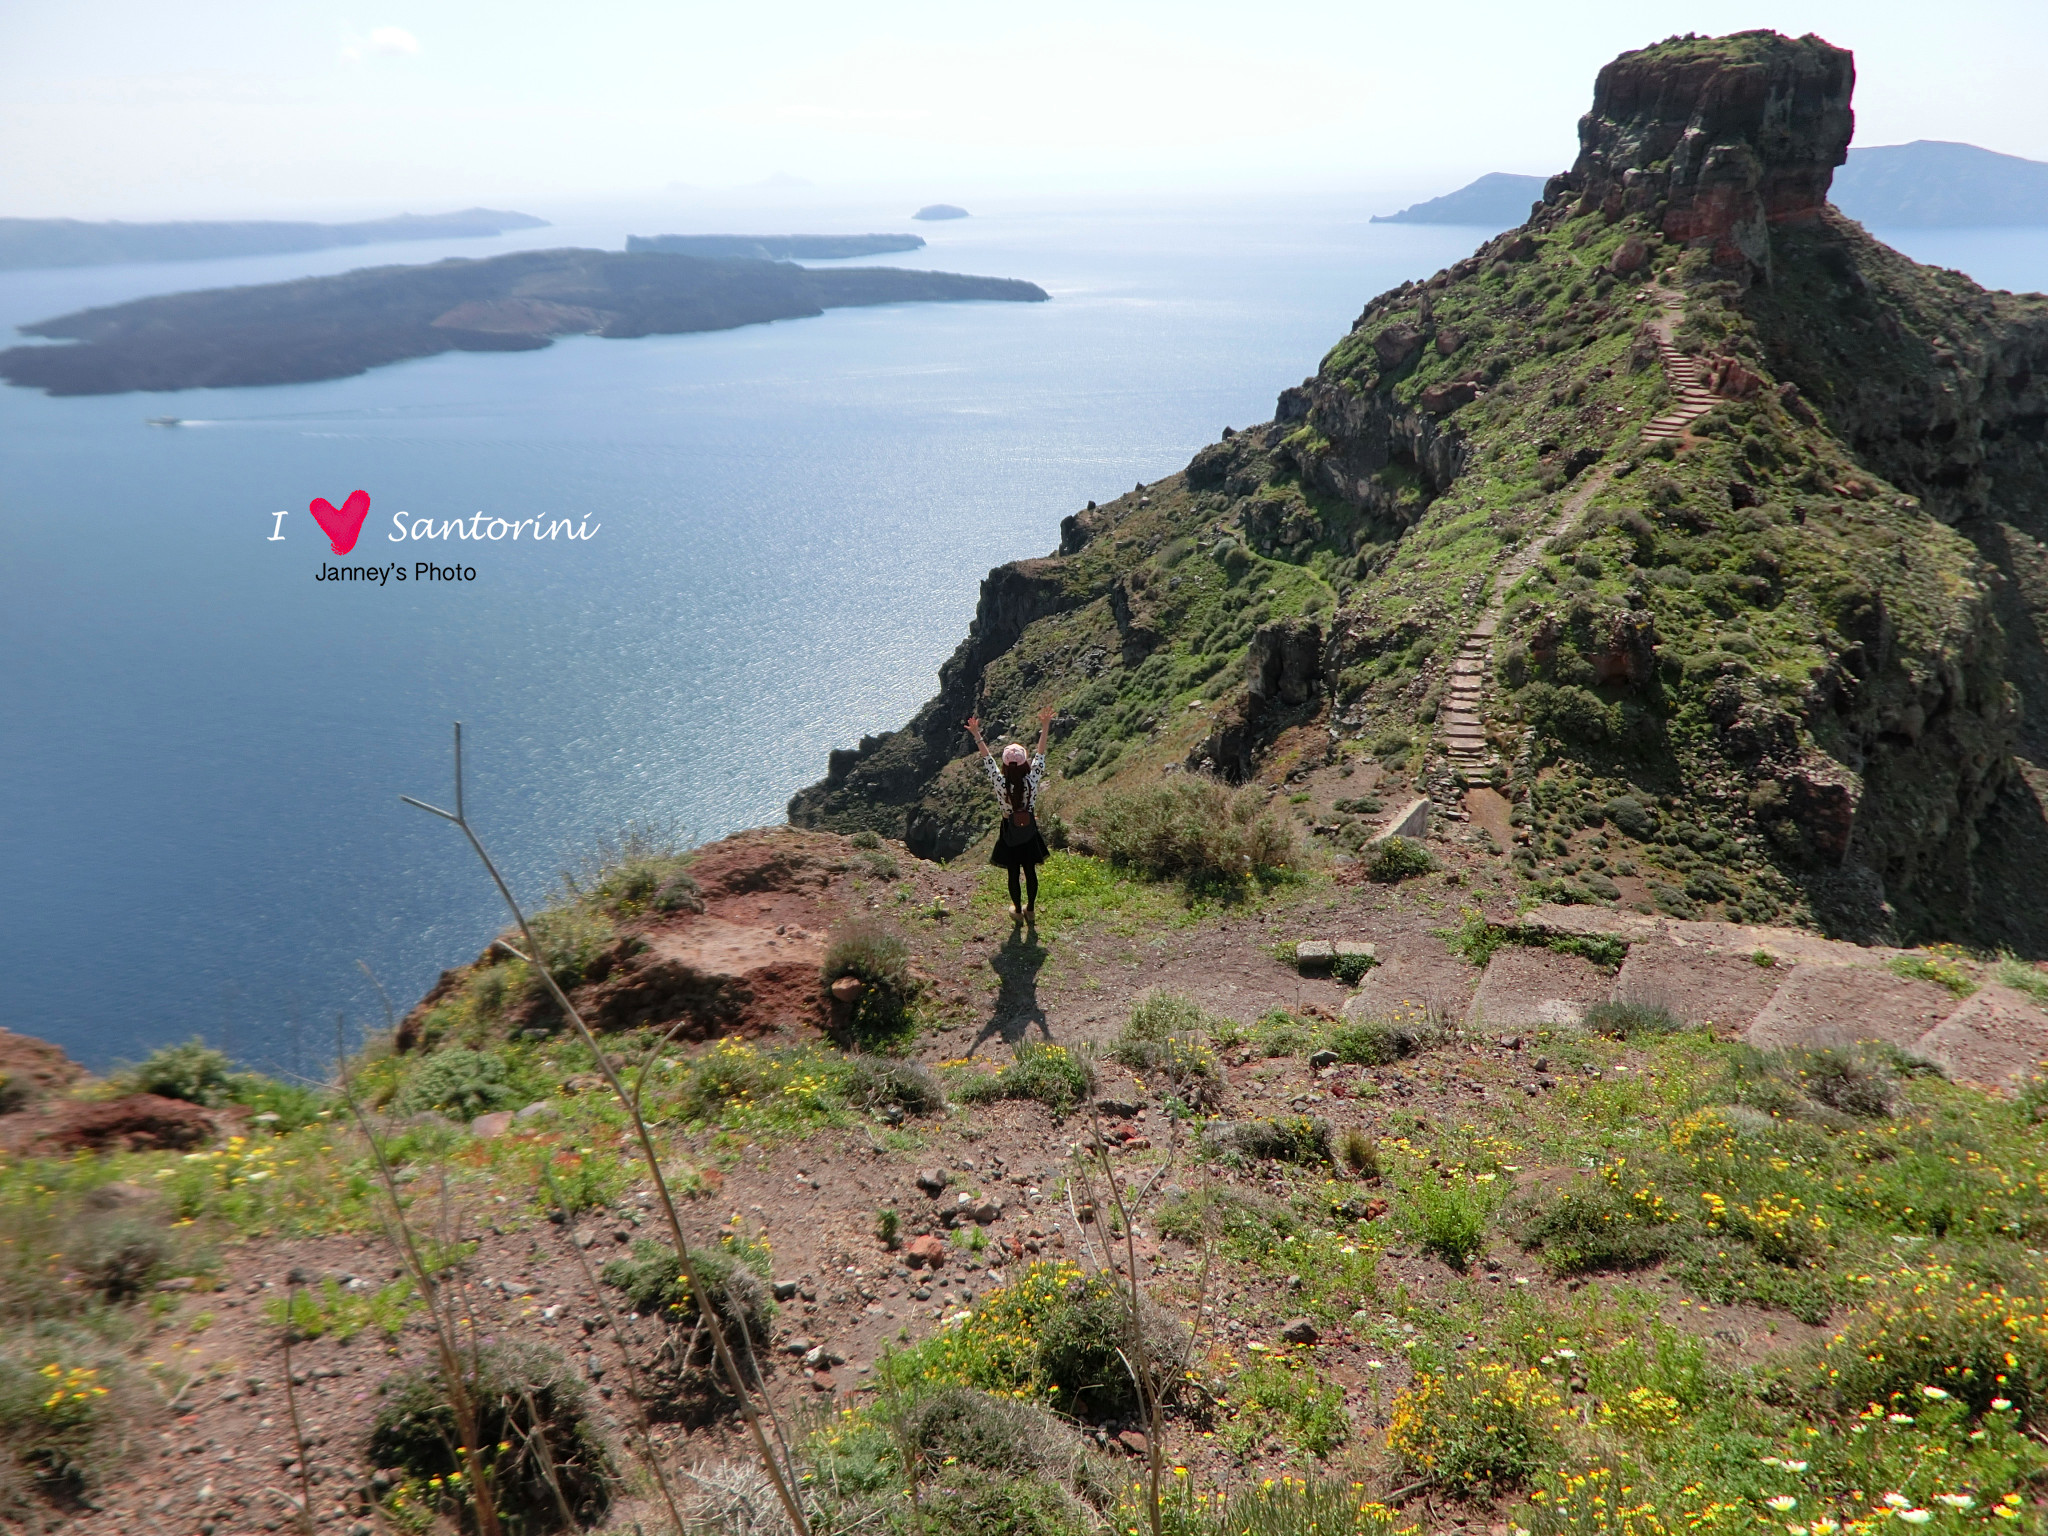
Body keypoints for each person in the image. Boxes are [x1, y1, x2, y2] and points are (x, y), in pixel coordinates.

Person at [967, 704, 1054, 920]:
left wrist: (977, 734)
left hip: (1009, 830)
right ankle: (1031, 910)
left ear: (1005, 765)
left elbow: (988, 760)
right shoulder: (1032, 779)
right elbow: (1041, 753)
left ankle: (1016, 910)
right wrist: (1045, 726)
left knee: (1013, 873)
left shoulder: (1000, 782)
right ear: (1025, 762)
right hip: (1030, 831)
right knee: (1031, 871)